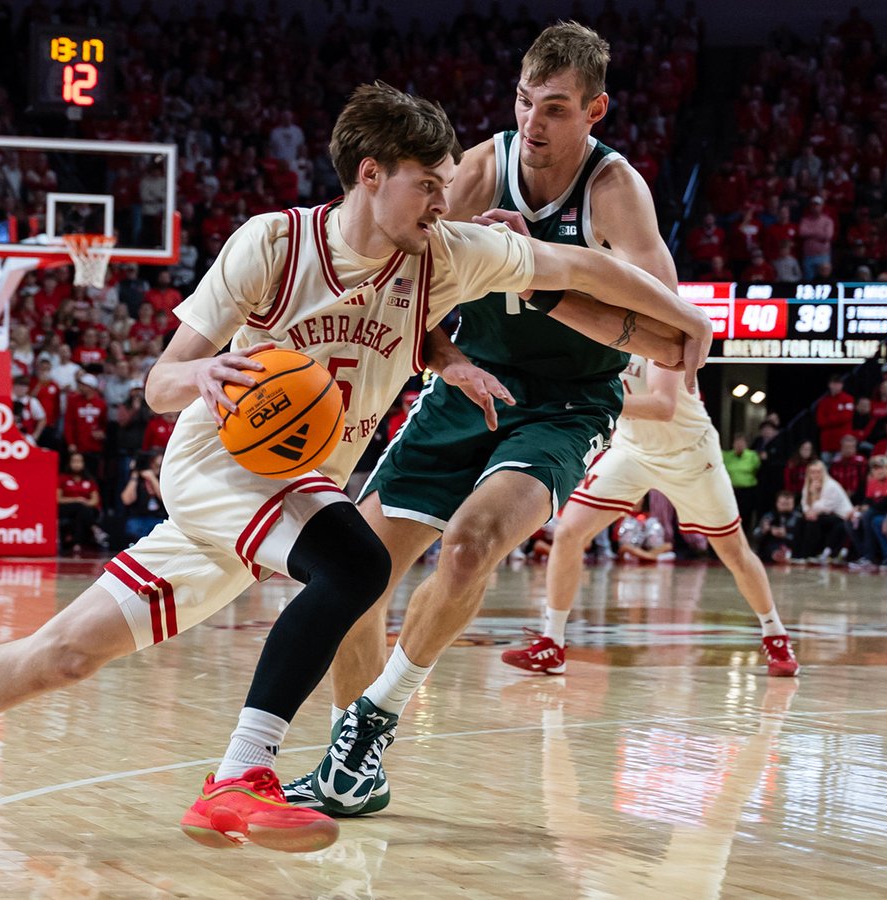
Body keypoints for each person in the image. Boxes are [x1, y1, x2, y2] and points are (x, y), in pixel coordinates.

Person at [0, 81, 705, 853]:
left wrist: (683, 319)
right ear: (370, 174)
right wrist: (204, 374)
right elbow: (158, 383)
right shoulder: (274, 244)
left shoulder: (446, 257)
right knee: (357, 563)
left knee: (60, 656)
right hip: (220, 463)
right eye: (427, 185)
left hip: (287, 489)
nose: (443, 201)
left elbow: (580, 270)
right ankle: (239, 775)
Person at [281, 24, 713, 815]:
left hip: (568, 403)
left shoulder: (615, 191)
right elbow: (400, 282)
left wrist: (534, 276)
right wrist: (448, 357)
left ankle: (372, 724)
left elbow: (671, 333)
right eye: (523, 101)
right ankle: (352, 768)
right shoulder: (478, 170)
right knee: (353, 574)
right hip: (469, 383)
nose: (532, 122)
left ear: (595, 111)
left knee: (471, 544)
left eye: (555, 108)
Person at [504, 352, 798, 680]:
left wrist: (590, 398)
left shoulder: (661, 332)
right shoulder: (595, 334)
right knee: (568, 531)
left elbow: (662, 406)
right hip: (632, 452)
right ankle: (552, 643)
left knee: (734, 552)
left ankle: (775, 633)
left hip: (690, 456)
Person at [56, 451, 103, 553]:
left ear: (84, 463)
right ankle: (94, 528)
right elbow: (58, 498)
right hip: (66, 508)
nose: (77, 464)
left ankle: (76, 544)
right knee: (79, 507)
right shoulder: (62, 478)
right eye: (74, 461)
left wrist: (84, 503)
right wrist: (77, 500)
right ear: (69, 463)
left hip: (86, 508)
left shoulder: (90, 480)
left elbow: (95, 500)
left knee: (81, 512)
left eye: (79, 461)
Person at [752, 491, 802, 563]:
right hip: (770, 547)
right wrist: (765, 530)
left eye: (788, 504)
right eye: (783, 504)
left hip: (792, 546)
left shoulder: (798, 518)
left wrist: (786, 534)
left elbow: (803, 538)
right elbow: (755, 535)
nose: (785, 506)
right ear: (777, 503)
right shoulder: (768, 516)